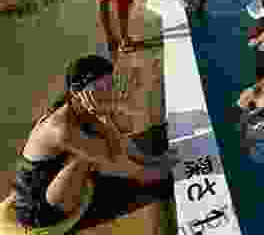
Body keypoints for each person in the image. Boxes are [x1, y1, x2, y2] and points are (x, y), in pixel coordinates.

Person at [11, 55, 174, 230]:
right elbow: (117, 161)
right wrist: (162, 172)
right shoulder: (60, 128)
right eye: (101, 88)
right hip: (38, 209)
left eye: (111, 85)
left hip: (53, 182)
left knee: (99, 144)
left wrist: (153, 160)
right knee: (87, 155)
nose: (110, 93)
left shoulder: (80, 108)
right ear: (76, 92)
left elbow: (119, 142)